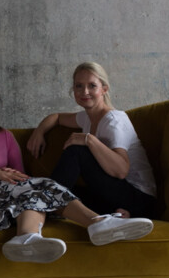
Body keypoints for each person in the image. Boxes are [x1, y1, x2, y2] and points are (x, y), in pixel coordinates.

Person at [0, 75, 154, 264]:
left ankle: (27, 238)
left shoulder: (6, 136)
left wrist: (11, 177)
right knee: (42, 186)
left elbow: (22, 179)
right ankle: (97, 222)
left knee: (34, 188)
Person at [26, 62, 156, 219]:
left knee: (77, 150)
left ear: (104, 89)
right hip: (114, 196)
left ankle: (43, 205)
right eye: (79, 86)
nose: (85, 91)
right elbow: (57, 117)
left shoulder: (114, 121)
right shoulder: (86, 117)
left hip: (139, 199)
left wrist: (89, 140)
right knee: (69, 193)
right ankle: (107, 218)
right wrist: (39, 132)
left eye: (92, 86)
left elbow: (121, 171)